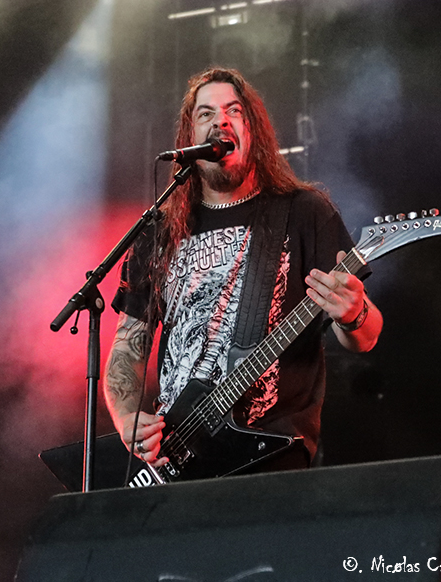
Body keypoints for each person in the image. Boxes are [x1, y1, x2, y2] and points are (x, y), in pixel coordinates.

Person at [103, 67, 383, 475]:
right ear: (189, 138)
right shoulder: (159, 231)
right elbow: (129, 345)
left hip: (270, 455)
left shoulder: (304, 212)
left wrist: (353, 313)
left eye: (234, 111)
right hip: (175, 457)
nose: (221, 121)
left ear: (253, 132)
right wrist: (127, 419)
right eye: (206, 113)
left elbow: (367, 336)